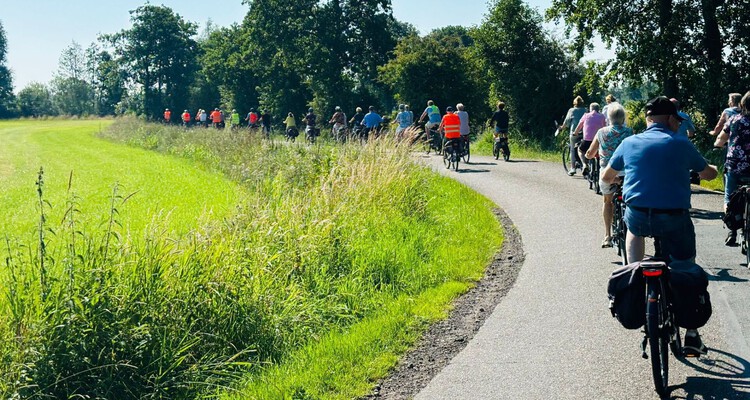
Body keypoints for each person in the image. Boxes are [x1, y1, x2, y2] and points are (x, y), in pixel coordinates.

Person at [602, 96, 718, 357]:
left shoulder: (629, 142)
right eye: (676, 119)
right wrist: (708, 168)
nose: (678, 123)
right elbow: (709, 174)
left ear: (647, 119)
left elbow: (606, 176)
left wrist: (628, 175)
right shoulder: (680, 143)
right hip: (674, 218)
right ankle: (691, 333)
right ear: (669, 119)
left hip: (640, 216)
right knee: (684, 265)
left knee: (633, 228)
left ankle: (633, 270)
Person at [585, 102, 634, 248]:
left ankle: (607, 236)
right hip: (627, 173)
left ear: (608, 118)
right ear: (623, 118)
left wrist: (588, 156)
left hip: (608, 173)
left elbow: (590, 153)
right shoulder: (630, 132)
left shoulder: (601, 132)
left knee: (607, 201)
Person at [713, 91, 750, 246]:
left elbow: (721, 139)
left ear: (743, 104)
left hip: (735, 165)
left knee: (729, 196)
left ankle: (732, 231)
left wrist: (717, 145)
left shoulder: (734, 119)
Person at [573, 102, 607, 176]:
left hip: (587, 140)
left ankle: (584, 164)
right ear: (599, 109)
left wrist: (575, 133)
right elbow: (605, 127)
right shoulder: (602, 116)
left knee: (580, 150)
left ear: (590, 109)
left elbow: (579, 126)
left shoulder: (586, 115)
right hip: (599, 141)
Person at [561, 96, 587, 175]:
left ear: (574, 103)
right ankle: (586, 163)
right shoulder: (586, 110)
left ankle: (573, 168)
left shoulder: (571, 110)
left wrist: (562, 127)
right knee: (585, 148)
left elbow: (566, 122)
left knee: (572, 149)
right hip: (585, 133)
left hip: (574, 133)